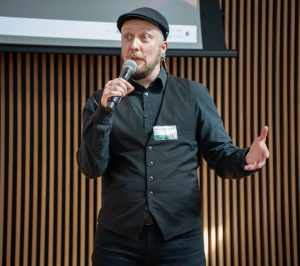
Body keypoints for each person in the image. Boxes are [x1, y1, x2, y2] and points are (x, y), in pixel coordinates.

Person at [77, 7, 269, 266]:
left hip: (180, 241)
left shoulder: (193, 94)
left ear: (163, 47)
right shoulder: (101, 101)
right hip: (116, 242)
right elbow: (91, 168)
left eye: (145, 37)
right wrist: (103, 114)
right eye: (127, 37)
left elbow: (221, 157)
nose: (134, 46)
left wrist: (247, 157)